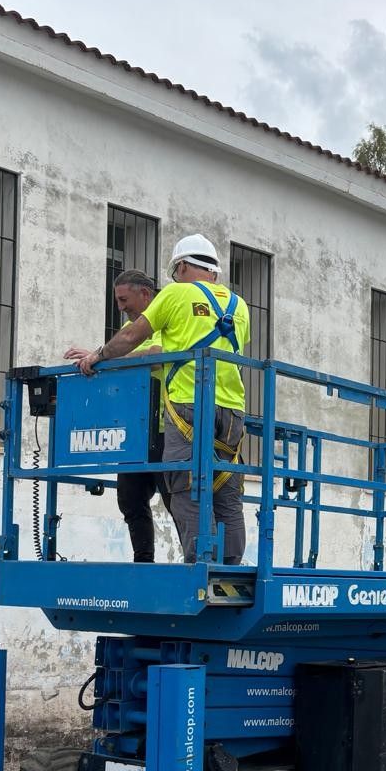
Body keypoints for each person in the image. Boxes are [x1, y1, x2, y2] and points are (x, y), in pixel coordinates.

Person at [65, 234, 250, 563]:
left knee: (184, 489)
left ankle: (200, 569)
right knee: (226, 490)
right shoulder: (240, 306)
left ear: (181, 267)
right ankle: (231, 569)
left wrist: (97, 356)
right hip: (233, 409)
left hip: (187, 408)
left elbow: (137, 339)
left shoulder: (177, 294)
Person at [108, 268, 165, 562]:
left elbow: (153, 355)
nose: (121, 308)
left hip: (167, 428)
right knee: (129, 498)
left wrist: (115, 361)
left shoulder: (166, 316)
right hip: (135, 431)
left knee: (176, 498)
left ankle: (196, 562)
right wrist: (93, 356)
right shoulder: (132, 330)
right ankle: (143, 561)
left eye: (123, 299)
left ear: (145, 294)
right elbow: (113, 350)